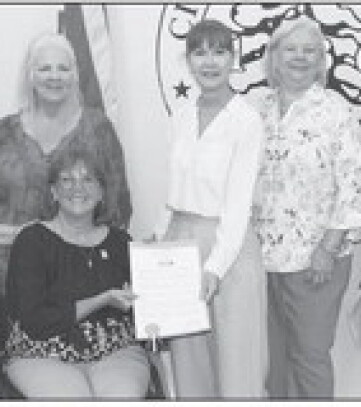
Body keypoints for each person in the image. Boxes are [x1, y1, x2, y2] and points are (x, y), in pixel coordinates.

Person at [254, 16, 361, 399]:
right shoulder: (257, 110)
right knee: (273, 360)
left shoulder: (335, 110)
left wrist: (328, 248)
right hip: (262, 258)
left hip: (317, 260)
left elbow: (354, 184)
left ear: (322, 60)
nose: (300, 57)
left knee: (310, 357)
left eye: (310, 50)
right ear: (274, 58)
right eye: (291, 49)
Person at [161, 19, 267, 398]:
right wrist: (158, 248)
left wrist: (215, 266)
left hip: (230, 250)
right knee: (188, 359)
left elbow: (238, 205)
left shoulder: (247, 120)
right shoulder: (181, 115)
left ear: (232, 59)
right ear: (188, 60)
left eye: (219, 51)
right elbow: (174, 192)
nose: (209, 62)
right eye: (200, 51)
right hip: (181, 240)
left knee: (237, 363)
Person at [3, 145, 149, 399]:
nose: (77, 188)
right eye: (67, 180)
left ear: (101, 192)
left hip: (117, 352)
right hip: (41, 353)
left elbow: (144, 309)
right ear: (54, 192)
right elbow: (35, 321)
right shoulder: (31, 240)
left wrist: (155, 275)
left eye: (87, 179)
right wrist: (102, 300)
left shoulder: (121, 242)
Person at [0, 32, 131, 297]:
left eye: (63, 68)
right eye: (45, 68)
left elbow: (118, 210)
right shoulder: (5, 133)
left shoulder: (99, 130)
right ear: (30, 75)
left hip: (78, 274)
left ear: (75, 75)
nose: (54, 76)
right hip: (7, 270)